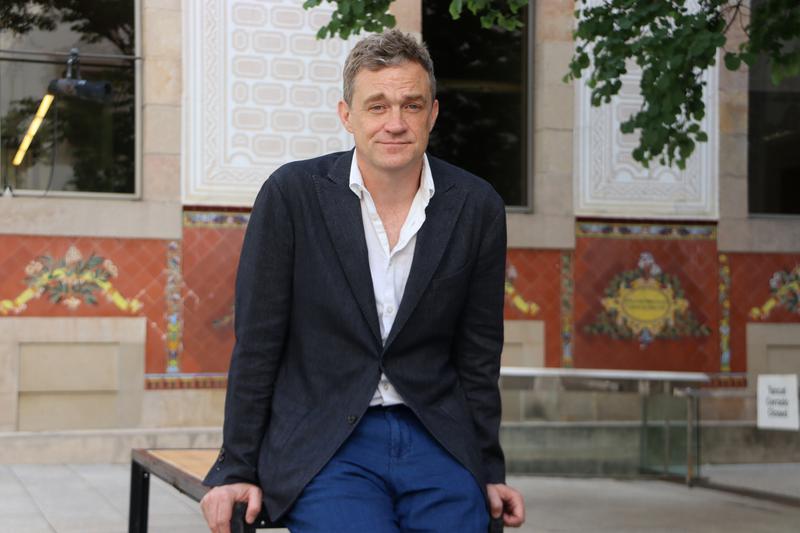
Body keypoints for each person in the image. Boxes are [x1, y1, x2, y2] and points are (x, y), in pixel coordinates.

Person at [200, 29, 525, 533]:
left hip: (434, 435)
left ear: (432, 114)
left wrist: (488, 469)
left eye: (411, 105)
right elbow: (258, 342)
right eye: (376, 106)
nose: (395, 123)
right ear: (346, 115)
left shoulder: (476, 205)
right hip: (325, 439)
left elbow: (478, 353)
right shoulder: (292, 195)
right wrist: (235, 467)